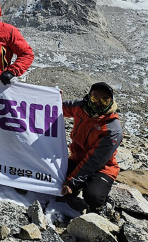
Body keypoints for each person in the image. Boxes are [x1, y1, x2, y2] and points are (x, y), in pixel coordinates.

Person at [61, 82, 123, 212]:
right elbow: (58, 107)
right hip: (77, 160)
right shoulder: (80, 107)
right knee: (55, 180)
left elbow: (94, 161)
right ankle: (78, 186)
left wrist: (72, 181)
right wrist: (53, 98)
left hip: (102, 168)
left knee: (93, 197)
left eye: (105, 100)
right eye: (95, 97)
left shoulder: (112, 129)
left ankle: (104, 204)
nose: (98, 103)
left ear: (111, 102)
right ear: (89, 96)